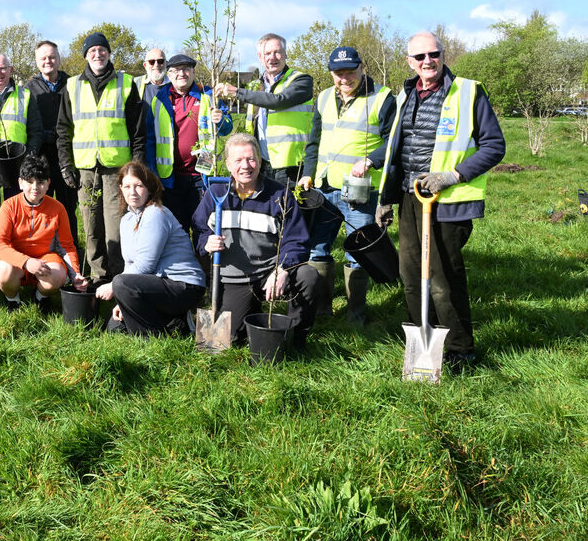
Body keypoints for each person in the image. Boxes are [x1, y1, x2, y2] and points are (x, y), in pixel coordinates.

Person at [377, 31, 505, 372]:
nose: (427, 61)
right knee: (409, 274)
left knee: (443, 279)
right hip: (410, 198)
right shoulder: (406, 96)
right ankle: (424, 344)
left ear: (443, 54)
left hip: (447, 201)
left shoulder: (468, 92)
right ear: (409, 62)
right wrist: (385, 198)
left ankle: (461, 351)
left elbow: (494, 146)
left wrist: (452, 175)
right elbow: (397, 150)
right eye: (419, 57)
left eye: (433, 54)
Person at [192, 133, 321, 351]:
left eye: (251, 159)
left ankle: (296, 339)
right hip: (235, 278)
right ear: (228, 164)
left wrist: (282, 270)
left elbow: (297, 241)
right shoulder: (215, 193)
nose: (246, 166)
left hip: (270, 273)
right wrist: (206, 242)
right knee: (231, 339)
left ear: (260, 162)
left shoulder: (280, 195)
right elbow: (199, 228)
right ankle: (249, 309)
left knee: (308, 275)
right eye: (239, 160)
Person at [298, 46, 396, 324]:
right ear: (331, 73)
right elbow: (314, 142)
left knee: (358, 253)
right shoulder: (324, 98)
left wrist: (371, 160)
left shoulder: (382, 98)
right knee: (318, 248)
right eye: (338, 73)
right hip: (324, 188)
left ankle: (356, 316)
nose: (344, 78)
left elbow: (394, 142)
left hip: (360, 191)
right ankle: (322, 311)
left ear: (362, 67)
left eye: (350, 72)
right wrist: (308, 172)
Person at [56, 31, 146, 283]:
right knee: (91, 226)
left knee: (116, 226)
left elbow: (138, 131)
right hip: (85, 169)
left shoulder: (126, 84)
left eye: (102, 49)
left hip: (118, 169)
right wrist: (66, 164)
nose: (98, 54)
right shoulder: (72, 86)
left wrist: (135, 168)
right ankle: (98, 276)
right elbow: (63, 130)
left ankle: (119, 278)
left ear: (108, 53)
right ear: (85, 55)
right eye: (92, 50)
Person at [94, 161, 205, 336]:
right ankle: (175, 323)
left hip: (183, 286)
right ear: (121, 189)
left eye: (139, 186)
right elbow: (130, 265)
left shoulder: (156, 213)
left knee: (120, 283)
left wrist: (115, 287)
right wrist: (122, 302)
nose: (133, 192)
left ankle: (154, 337)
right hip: (156, 284)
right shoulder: (126, 220)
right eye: (127, 186)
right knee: (114, 329)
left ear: (149, 188)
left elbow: (146, 265)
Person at [216, 33, 314, 185]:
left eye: (277, 52)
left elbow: (278, 101)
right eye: (267, 53)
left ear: (285, 54)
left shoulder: (301, 80)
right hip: (261, 164)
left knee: (289, 208)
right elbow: (250, 125)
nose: (272, 57)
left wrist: (237, 92)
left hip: (292, 165)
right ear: (260, 57)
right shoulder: (256, 86)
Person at [0, 153, 81, 314]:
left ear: (48, 184)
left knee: (59, 275)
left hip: (45, 258)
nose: (35, 187)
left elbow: (67, 245)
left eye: (40, 182)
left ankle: (40, 295)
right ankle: (13, 299)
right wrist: (26, 262)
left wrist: (75, 275)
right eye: (29, 182)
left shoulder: (58, 208)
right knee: (4, 272)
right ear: (20, 183)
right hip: (16, 260)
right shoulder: (9, 206)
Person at [153, 53, 230, 235]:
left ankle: (203, 263)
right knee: (176, 231)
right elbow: (150, 139)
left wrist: (221, 120)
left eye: (186, 69)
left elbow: (227, 128)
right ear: (168, 74)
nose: (182, 74)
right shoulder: (160, 99)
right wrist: (153, 174)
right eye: (176, 70)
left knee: (202, 228)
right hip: (170, 179)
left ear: (193, 72)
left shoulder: (208, 95)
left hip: (200, 176)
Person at [0, 53, 43, 227]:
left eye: (3, 68)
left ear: (11, 70)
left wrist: (28, 157)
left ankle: (16, 252)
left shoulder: (25, 96)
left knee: (17, 215)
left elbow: (36, 132)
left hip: (17, 168)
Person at [25, 40, 77, 238]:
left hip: (67, 157)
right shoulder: (29, 89)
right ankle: (43, 249)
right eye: (43, 58)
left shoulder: (72, 85)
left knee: (67, 208)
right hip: (41, 157)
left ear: (59, 58)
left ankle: (72, 252)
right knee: (41, 209)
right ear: (37, 62)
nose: (48, 61)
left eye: (52, 57)